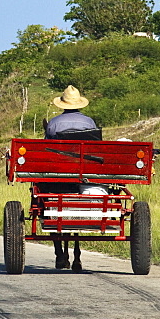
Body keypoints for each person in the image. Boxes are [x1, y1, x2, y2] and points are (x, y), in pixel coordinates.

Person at [40, 85, 101, 271]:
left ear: (62, 105)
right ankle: (76, 255)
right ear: (79, 104)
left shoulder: (53, 124)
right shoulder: (89, 122)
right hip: (84, 176)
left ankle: (59, 253)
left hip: (58, 177)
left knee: (45, 200)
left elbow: (47, 150)